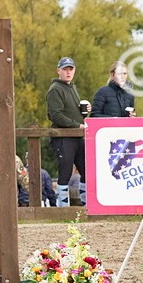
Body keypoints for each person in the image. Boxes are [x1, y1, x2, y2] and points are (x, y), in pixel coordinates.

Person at [46, 57, 88, 206]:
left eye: (70, 69)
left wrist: (84, 112)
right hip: (63, 137)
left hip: (76, 136)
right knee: (65, 172)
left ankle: (85, 205)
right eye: (65, 69)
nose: (68, 72)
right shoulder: (55, 89)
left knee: (86, 170)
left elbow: (70, 111)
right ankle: (63, 208)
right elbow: (55, 115)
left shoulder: (71, 87)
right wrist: (77, 125)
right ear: (58, 71)